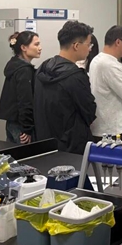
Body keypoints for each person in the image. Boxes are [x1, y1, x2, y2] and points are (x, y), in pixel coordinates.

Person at [34, 20, 96, 154]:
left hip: (45, 141)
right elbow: (89, 112)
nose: (90, 49)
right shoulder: (76, 76)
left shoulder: (42, 68)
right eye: (88, 44)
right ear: (76, 46)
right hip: (72, 145)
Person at [90, 25, 122, 139]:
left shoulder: (97, 60)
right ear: (118, 42)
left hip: (102, 126)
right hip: (113, 129)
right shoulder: (111, 65)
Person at [0, 31, 42, 144]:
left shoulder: (14, 65)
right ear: (23, 47)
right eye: (36, 44)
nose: (40, 48)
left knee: (12, 153)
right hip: (21, 126)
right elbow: (25, 101)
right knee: (26, 154)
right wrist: (27, 129)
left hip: (11, 123)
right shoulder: (24, 71)